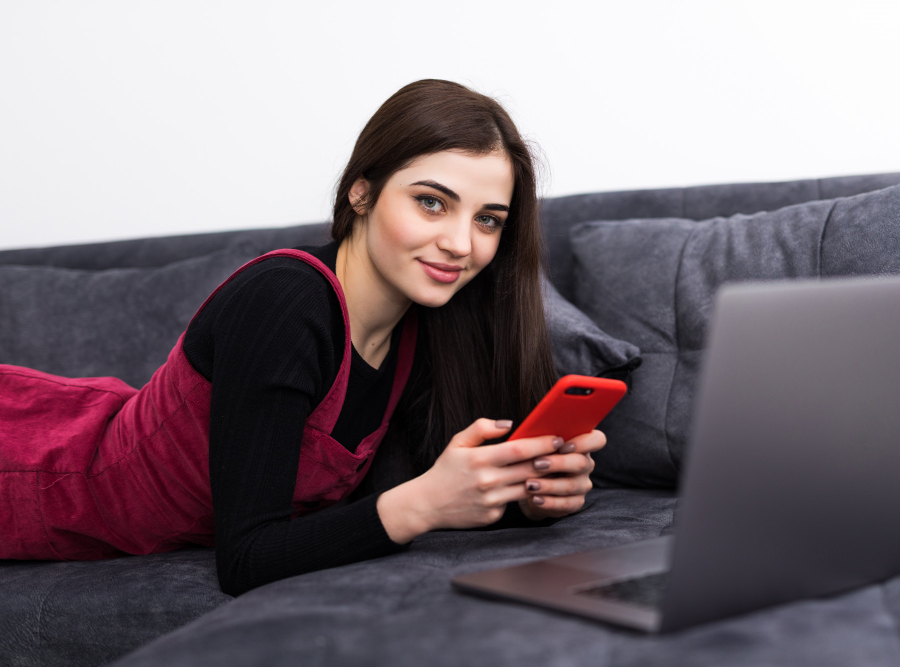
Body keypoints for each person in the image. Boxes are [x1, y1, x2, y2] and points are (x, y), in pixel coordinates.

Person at [0, 79, 605, 595]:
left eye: (488, 220)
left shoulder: (426, 324)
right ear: (360, 192)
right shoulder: (285, 302)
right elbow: (246, 561)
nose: (461, 243)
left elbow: (410, 496)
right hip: (27, 469)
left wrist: (524, 495)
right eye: (430, 203)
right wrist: (422, 503)